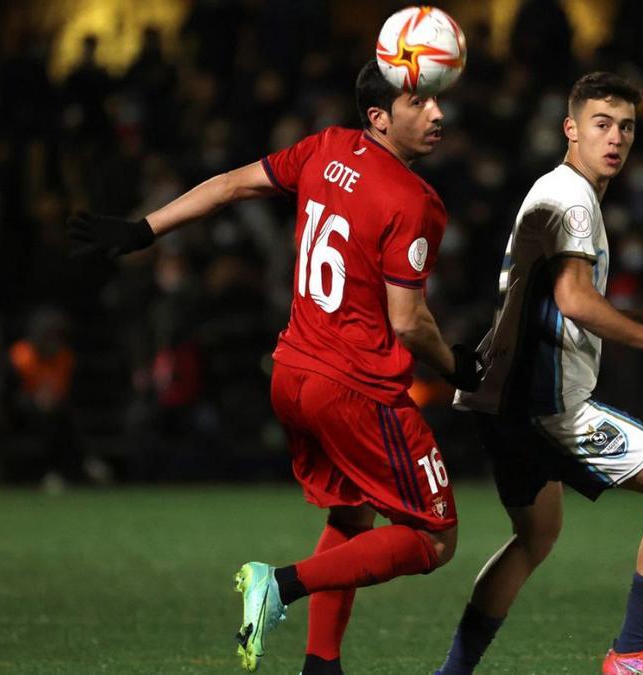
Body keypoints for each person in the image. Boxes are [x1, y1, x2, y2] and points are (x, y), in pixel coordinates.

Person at [67, 60, 480, 675]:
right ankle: (279, 584)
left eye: (436, 102)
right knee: (434, 537)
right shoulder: (414, 201)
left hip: (292, 372)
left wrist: (144, 228)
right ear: (379, 118)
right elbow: (408, 321)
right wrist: (457, 367)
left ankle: (321, 667)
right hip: (354, 388)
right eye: (419, 104)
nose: (438, 114)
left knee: (351, 515)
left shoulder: (326, 147)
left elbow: (232, 183)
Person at [436, 72, 643, 675]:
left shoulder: (560, 192)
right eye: (601, 124)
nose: (615, 138)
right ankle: (633, 654)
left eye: (626, 128)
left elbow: (564, 303)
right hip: (546, 406)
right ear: (571, 129)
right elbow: (575, 300)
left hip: (502, 402)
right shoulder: (573, 199)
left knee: (534, 539)